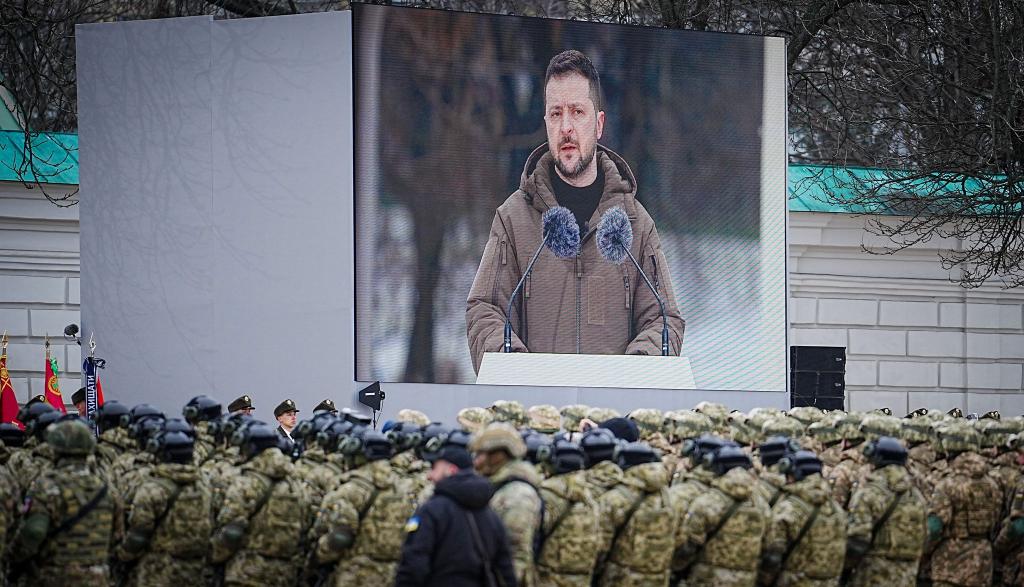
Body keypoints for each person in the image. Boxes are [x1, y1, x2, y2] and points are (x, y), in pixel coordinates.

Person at [466, 49, 684, 372]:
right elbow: (484, 312)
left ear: (598, 124)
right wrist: (522, 377)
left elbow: (664, 322)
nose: (566, 127)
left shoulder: (636, 225)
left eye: (577, 112)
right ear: (545, 123)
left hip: (613, 417)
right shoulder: (513, 219)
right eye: (556, 114)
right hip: (537, 418)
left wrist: (630, 379)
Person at [9, 418, 115, 586]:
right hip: (98, 577)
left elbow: (34, 532)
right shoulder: (106, 487)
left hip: (56, 577)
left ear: (55, 450)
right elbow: (118, 535)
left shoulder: (48, 486)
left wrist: (14, 560)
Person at [396, 444, 517, 587]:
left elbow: (414, 565)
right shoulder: (491, 516)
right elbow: (505, 570)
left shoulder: (431, 511)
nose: (430, 475)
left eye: (435, 468)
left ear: (451, 470)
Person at [116, 423, 213, 587]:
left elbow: (138, 536)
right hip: (195, 570)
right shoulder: (204, 484)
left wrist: (121, 557)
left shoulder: (152, 489)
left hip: (158, 570)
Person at [844, 436, 927, 587]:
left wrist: (843, 569)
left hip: (874, 575)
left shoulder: (869, 493)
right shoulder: (916, 495)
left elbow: (857, 541)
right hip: (907, 576)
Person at [469, 422, 544, 586]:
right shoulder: (498, 486)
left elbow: (515, 555)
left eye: (481, 454)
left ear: (498, 456)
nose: (476, 461)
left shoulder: (517, 496)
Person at [760, 450, 846, 587]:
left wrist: (763, 580)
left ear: (794, 475)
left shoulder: (789, 508)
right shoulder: (835, 508)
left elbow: (773, 555)